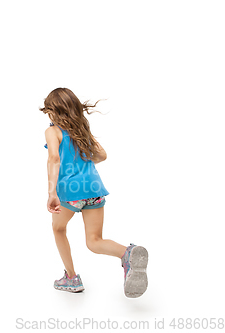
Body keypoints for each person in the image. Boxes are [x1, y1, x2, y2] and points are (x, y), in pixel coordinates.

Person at [42, 88, 148, 298]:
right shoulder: (81, 129)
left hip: (71, 192)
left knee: (58, 228)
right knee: (94, 240)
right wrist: (82, 157)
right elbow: (102, 155)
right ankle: (126, 253)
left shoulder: (52, 131)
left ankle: (71, 278)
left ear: (54, 110)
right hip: (94, 189)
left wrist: (51, 192)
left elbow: (54, 159)